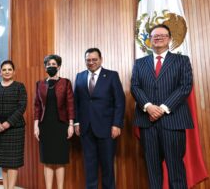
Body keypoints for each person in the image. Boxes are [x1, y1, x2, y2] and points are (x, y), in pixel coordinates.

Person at [131, 24, 193, 189]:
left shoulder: (182, 60)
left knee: (175, 168)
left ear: (170, 39)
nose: (158, 38)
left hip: (173, 121)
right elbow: (135, 87)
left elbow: (185, 86)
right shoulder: (139, 63)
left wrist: (163, 108)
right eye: (154, 36)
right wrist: (149, 106)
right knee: (152, 169)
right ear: (150, 40)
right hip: (147, 122)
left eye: (162, 35)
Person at [74, 48, 125, 189]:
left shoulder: (111, 76)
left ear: (101, 59)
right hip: (86, 128)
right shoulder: (79, 76)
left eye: (94, 59)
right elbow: (76, 102)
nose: (91, 62)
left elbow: (119, 102)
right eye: (88, 60)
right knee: (89, 166)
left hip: (107, 128)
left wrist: (117, 124)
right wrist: (76, 122)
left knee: (107, 165)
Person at [34, 54, 75, 189]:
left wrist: (71, 125)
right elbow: (37, 106)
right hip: (45, 125)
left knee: (60, 160)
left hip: (61, 125)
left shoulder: (65, 82)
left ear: (59, 66)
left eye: (54, 64)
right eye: (48, 64)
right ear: (45, 67)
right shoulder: (39, 84)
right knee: (47, 160)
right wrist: (36, 126)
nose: (51, 66)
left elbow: (70, 104)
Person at [0, 60, 27, 189]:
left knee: (13, 163)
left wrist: (7, 123)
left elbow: (22, 107)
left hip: (15, 129)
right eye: (4, 69)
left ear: (14, 72)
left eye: (9, 69)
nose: (7, 72)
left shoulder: (19, 87)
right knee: (4, 162)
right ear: (0, 72)